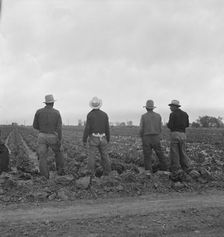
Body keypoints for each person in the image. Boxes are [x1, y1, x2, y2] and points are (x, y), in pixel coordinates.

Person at [33, 94, 64, 179]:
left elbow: (35, 126)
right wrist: (60, 140)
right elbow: (59, 128)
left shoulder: (38, 112)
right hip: (53, 136)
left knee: (42, 156)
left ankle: (44, 176)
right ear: (53, 103)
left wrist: (43, 129)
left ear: (46, 103)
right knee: (59, 152)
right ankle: (60, 172)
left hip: (42, 136)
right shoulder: (56, 112)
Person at [83, 96, 111, 184]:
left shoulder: (90, 115)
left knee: (92, 156)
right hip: (103, 138)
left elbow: (87, 128)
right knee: (105, 156)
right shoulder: (104, 114)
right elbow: (107, 128)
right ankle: (107, 173)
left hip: (94, 138)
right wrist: (108, 138)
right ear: (99, 105)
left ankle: (91, 174)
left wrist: (84, 139)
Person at [139, 100, 168, 177]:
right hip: (156, 137)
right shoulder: (158, 116)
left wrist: (141, 136)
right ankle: (164, 169)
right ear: (153, 108)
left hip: (146, 138)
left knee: (147, 155)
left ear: (146, 108)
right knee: (160, 153)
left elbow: (141, 128)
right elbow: (160, 127)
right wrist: (159, 136)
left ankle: (148, 172)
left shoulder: (143, 116)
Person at [167, 100, 191, 177]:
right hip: (183, 134)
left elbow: (170, 125)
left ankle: (176, 169)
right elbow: (187, 125)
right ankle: (186, 167)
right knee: (183, 151)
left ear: (175, 107)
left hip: (175, 134)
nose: (170, 108)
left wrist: (168, 125)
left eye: (171, 106)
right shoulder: (185, 114)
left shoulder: (172, 114)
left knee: (175, 152)